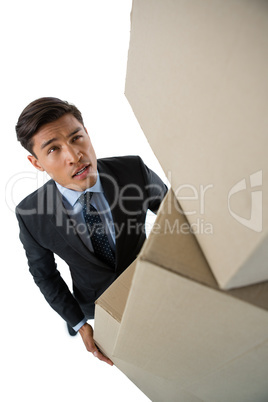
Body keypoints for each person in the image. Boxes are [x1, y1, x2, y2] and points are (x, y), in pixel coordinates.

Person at [15, 97, 167, 366]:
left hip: (156, 287)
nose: (74, 156)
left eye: (76, 138)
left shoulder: (132, 171)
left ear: (87, 133)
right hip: (97, 306)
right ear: (36, 163)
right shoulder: (31, 214)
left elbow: (178, 217)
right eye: (53, 150)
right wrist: (79, 322)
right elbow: (45, 275)